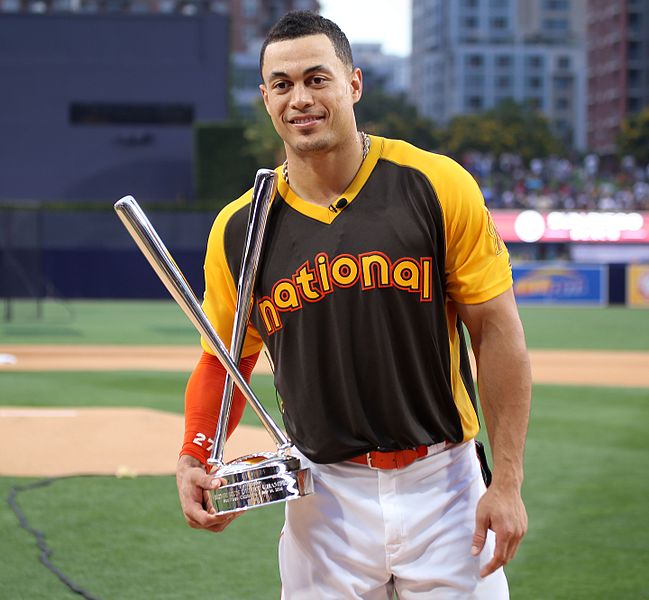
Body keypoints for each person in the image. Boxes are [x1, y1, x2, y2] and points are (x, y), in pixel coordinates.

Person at [176, 10, 531, 599]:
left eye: (318, 79)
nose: (301, 99)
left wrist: (509, 481)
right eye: (283, 85)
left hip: (443, 484)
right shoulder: (241, 228)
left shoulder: (434, 184)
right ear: (265, 97)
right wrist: (195, 452)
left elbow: (496, 332)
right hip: (324, 499)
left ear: (354, 84)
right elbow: (224, 359)